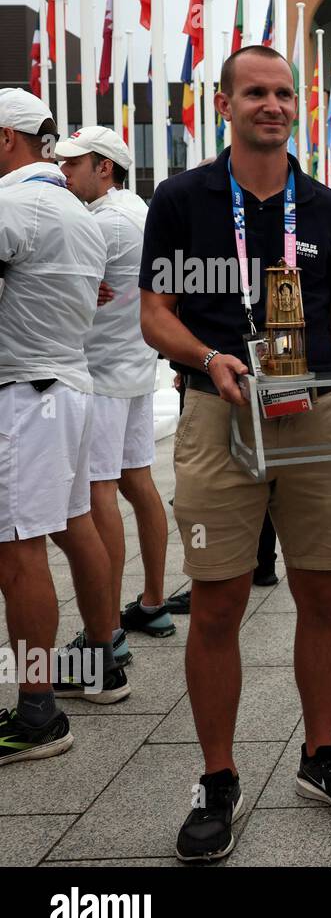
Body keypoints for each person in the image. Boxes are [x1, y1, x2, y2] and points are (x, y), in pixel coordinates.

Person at [139, 45, 331, 862]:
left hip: (312, 416)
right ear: (226, 103)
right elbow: (156, 315)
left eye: (283, 93)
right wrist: (208, 357)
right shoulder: (182, 198)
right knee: (216, 604)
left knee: (323, 591)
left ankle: (320, 754)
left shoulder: (326, 207)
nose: (272, 105)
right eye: (256, 93)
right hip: (219, 413)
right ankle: (217, 777)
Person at [0, 89, 131, 767]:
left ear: (5, 140)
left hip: (27, 391)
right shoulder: (78, 211)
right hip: (70, 385)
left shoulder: (15, 204)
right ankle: (102, 663)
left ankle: (37, 711)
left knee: (18, 550)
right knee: (73, 523)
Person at [55, 126, 176, 667]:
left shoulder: (99, 222)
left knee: (98, 493)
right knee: (138, 482)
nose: (64, 173)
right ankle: (152, 601)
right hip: (134, 366)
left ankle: (104, 632)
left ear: (104, 167)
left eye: (73, 164)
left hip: (100, 372)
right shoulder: (141, 211)